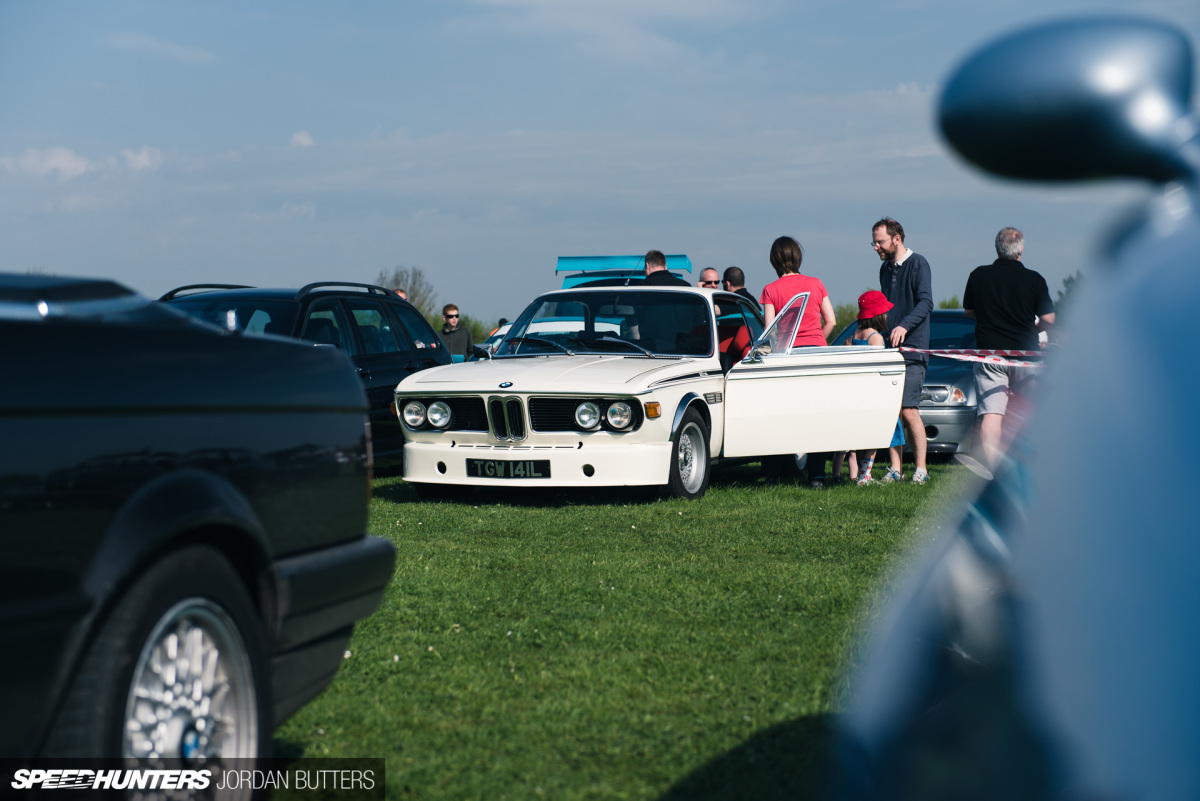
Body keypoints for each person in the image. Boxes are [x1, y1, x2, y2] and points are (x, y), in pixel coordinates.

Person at [963, 227, 1055, 469]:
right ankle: (1033, 466)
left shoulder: (978, 275)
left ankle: (991, 469)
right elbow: (1050, 319)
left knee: (991, 415)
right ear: (1021, 251)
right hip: (1026, 356)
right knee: (1030, 413)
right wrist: (1035, 327)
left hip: (990, 355)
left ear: (996, 248)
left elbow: (969, 311)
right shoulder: (1035, 279)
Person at [760, 236, 837, 487]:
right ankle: (817, 476)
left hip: (787, 358)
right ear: (798, 257)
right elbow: (831, 320)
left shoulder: (770, 289)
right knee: (817, 415)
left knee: (781, 415)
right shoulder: (816, 284)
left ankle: (773, 475)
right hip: (816, 356)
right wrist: (817, 342)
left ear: (774, 260)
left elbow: (769, 331)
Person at [872, 217, 933, 485]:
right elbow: (886, 308)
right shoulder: (885, 270)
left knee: (909, 410)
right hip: (889, 351)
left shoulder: (919, 263)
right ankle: (895, 469)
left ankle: (921, 469)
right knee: (890, 412)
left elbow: (926, 302)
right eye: (873, 242)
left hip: (913, 349)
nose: (876, 247)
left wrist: (904, 327)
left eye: (880, 241)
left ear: (897, 238)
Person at [835, 290, 906, 485]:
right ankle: (865, 475)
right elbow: (878, 366)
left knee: (868, 434)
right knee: (878, 435)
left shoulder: (857, 333)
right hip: (875, 392)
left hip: (860, 391)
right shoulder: (875, 337)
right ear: (878, 314)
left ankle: (862, 474)